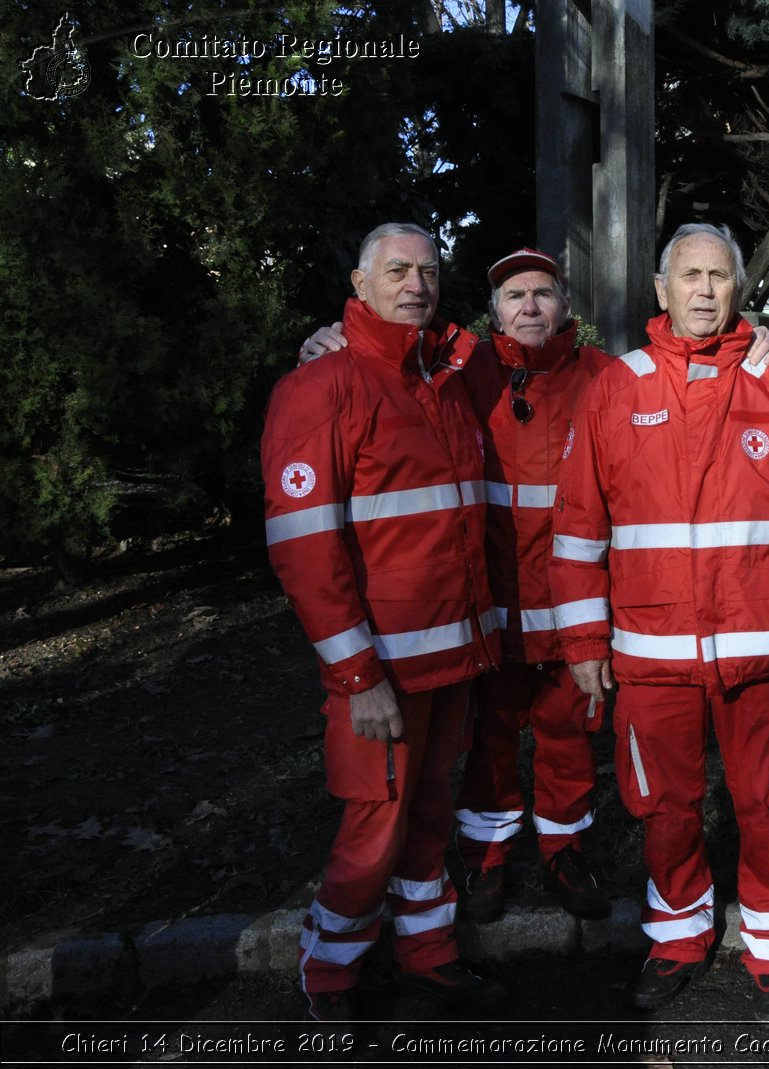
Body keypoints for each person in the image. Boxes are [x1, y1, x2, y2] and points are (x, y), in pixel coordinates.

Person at [298, 250, 769, 926]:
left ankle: (565, 848)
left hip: (569, 608)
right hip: (487, 610)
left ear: (567, 307)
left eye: (544, 293)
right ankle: (486, 856)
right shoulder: (460, 371)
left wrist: (754, 336)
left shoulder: (608, 377)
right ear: (493, 310)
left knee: (567, 736)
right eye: (515, 294)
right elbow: (392, 357)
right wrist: (330, 340)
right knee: (491, 738)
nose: (530, 307)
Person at [550, 222, 769, 1024]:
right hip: (651, 658)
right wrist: (584, 641)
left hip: (764, 652)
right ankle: (678, 935)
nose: (703, 291)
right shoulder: (618, 388)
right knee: (665, 809)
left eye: (718, 276)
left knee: (768, 805)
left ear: (737, 288)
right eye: (689, 275)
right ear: (661, 289)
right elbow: (579, 527)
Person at [261, 223, 505, 1021]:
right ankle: (330, 972)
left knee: (430, 810)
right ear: (360, 286)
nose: (416, 284)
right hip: (382, 671)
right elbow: (304, 549)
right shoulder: (320, 386)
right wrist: (356, 674)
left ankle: (427, 951)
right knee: (374, 824)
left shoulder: (444, 375)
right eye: (397, 271)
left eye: (429, 271)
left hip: (451, 656)